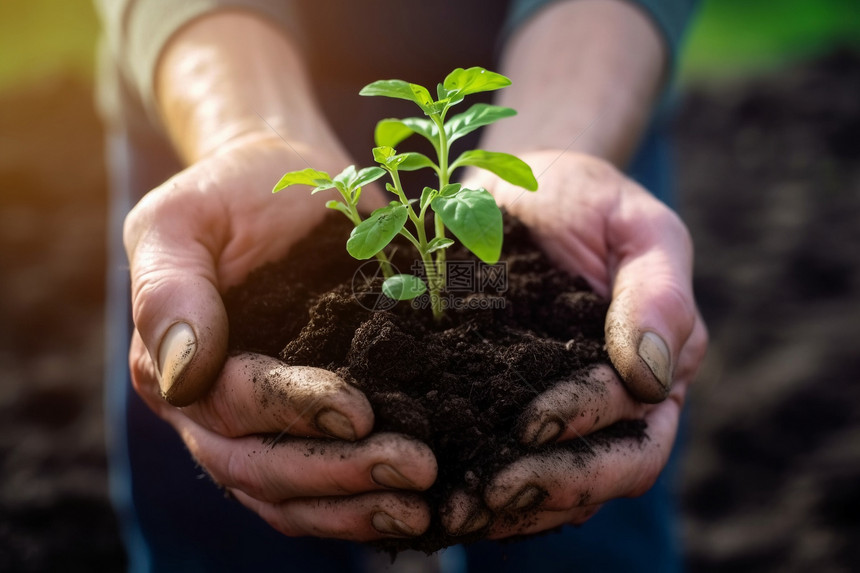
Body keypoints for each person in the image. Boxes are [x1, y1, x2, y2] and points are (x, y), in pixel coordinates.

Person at [95, 0, 708, 571]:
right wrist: (239, 132)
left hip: (581, 75)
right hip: (211, 80)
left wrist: (561, 134)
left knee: (578, 526)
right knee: (224, 522)